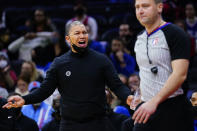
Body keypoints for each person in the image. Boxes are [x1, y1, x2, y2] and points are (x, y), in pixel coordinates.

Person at [3, 21, 131, 131]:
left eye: (84, 32)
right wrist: (25, 99)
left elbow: (117, 86)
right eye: (77, 33)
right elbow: (44, 91)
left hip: (98, 123)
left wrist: (128, 97)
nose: (82, 36)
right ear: (68, 39)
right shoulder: (59, 63)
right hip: (69, 125)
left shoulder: (101, 60)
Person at [126, 0, 194, 131]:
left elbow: (180, 75)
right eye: (137, 7)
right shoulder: (139, 38)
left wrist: (154, 101)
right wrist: (139, 95)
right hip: (147, 107)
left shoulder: (176, 34)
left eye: (145, 6)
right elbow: (146, 72)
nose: (140, 11)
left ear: (159, 7)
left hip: (174, 109)